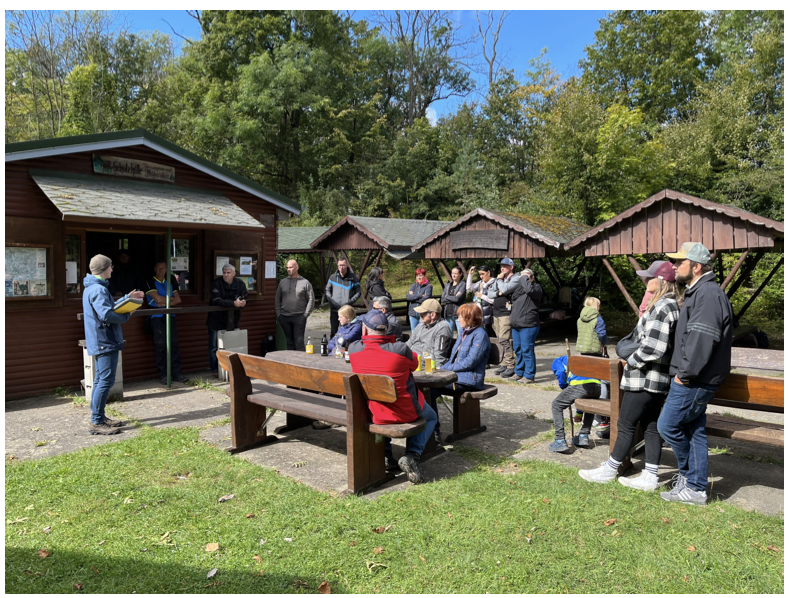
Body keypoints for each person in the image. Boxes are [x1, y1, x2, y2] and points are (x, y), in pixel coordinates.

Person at [577, 263, 680, 489]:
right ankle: (650, 476)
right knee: (651, 426)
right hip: (655, 379)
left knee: (625, 424)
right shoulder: (668, 304)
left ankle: (610, 469)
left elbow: (654, 347)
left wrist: (630, 362)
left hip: (645, 377)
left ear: (661, 280)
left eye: (649, 278)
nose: (645, 281)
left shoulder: (663, 306)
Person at [657, 242, 734, 505]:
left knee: (666, 425)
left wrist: (684, 375)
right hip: (695, 377)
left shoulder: (708, 294)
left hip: (694, 380)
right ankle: (696, 489)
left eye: (680, 262)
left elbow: (702, 339)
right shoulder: (699, 292)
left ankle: (688, 477)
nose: (675, 266)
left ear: (697, 266)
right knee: (694, 431)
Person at [348, 310, 438, 484]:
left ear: (365, 330)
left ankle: (386, 454)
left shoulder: (354, 349)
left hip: (374, 412)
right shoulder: (400, 349)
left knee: (381, 402)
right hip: (404, 412)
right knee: (431, 416)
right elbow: (415, 363)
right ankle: (412, 454)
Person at [83, 255, 145, 435]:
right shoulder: (99, 290)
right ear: (105, 268)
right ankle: (96, 421)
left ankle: (100, 416)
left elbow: (109, 307)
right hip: (105, 340)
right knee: (105, 380)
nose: (112, 269)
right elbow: (107, 315)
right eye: (111, 266)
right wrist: (127, 315)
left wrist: (127, 298)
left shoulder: (94, 287)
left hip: (102, 339)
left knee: (101, 379)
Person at [431, 303, 491, 442]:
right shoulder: (464, 333)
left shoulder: (480, 335)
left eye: (460, 317)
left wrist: (446, 369)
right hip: (458, 376)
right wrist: (441, 368)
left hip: (471, 379)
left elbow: (471, 362)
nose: (457, 320)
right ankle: (432, 431)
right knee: (426, 389)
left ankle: (434, 433)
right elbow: (453, 359)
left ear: (469, 318)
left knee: (430, 390)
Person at [547, 357, 609, 453]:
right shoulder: (583, 360)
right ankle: (583, 436)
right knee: (590, 405)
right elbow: (583, 399)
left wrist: (564, 386)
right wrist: (579, 414)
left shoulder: (557, 361)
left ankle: (560, 441)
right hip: (597, 386)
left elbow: (560, 372)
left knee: (556, 404)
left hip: (580, 385)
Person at [144, 260, 189, 385]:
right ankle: (163, 375)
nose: (161, 270)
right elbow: (157, 298)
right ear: (154, 269)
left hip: (171, 315)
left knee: (174, 345)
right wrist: (169, 300)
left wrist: (164, 302)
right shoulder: (149, 280)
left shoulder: (171, 280)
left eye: (163, 268)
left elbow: (178, 299)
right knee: (160, 346)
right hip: (156, 316)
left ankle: (177, 373)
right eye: (159, 268)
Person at [207, 263, 249, 377]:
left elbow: (245, 296)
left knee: (231, 344)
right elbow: (216, 300)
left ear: (234, 273)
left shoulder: (240, 283)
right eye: (224, 273)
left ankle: (231, 368)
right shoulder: (216, 284)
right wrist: (233, 303)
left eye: (228, 273)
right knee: (214, 346)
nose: (226, 275)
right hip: (215, 320)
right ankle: (215, 369)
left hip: (232, 320)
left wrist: (243, 302)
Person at [508, 268, 543, 383]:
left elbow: (530, 290)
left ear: (531, 278)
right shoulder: (519, 290)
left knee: (527, 350)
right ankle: (519, 372)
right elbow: (512, 297)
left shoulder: (536, 288)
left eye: (526, 278)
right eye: (522, 278)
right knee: (518, 349)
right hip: (516, 325)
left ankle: (529, 375)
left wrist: (524, 277)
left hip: (528, 325)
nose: (523, 279)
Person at [488, 258, 521, 378]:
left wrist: (500, 282)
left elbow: (506, 289)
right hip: (496, 312)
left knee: (504, 339)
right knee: (499, 339)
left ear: (511, 267)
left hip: (506, 313)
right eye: (501, 266)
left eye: (505, 266)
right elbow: (489, 293)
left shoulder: (515, 278)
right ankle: (504, 363)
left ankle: (511, 365)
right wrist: (498, 293)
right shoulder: (500, 279)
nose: (502, 268)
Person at [275, 259, 314, 353]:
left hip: (299, 317)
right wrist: (279, 315)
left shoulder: (305, 282)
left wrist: (305, 315)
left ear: (297, 267)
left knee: (299, 342)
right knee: (289, 343)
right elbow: (277, 299)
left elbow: (311, 300)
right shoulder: (282, 282)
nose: (288, 269)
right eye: (287, 267)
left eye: (291, 267)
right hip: (285, 317)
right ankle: (291, 364)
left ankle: (301, 364)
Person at [406, 299, 454, 368]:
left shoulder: (442, 328)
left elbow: (439, 356)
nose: (419, 314)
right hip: (409, 363)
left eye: (423, 313)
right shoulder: (421, 325)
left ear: (432, 315)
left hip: (423, 368)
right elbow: (409, 343)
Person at [325, 258, 361, 338]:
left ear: (347, 265)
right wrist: (332, 301)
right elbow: (327, 290)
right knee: (334, 332)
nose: (341, 267)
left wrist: (350, 302)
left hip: (346, 311)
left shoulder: (353, 278)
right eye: (339, 265)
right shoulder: (332, 277)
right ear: (337, 266)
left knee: (347, 332)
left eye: (343, 265)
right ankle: (332, 349)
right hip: (334, 310)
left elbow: (358, 292)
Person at [466, 265, 496, 337]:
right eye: (480, 274)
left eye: (483, 274)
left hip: (489, 313)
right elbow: (469, 287)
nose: (481, 276)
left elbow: (493, 300)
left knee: (489, 334)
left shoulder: (494, 283)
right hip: (479, 312)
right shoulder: (481, 283)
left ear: (488, 272)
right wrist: (470, 274)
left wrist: (482, 296)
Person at [440, 267, 466, 335]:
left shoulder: (462, 284)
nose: (453, 275)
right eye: (452, 273)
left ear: (460, 274)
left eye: (456, 273)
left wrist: (447, 296)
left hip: (458, 314)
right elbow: (442, 299)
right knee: (448, 335)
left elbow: (458, 299)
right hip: (448, 314)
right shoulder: (448, 285)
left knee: (461, 334)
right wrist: (453, 297)